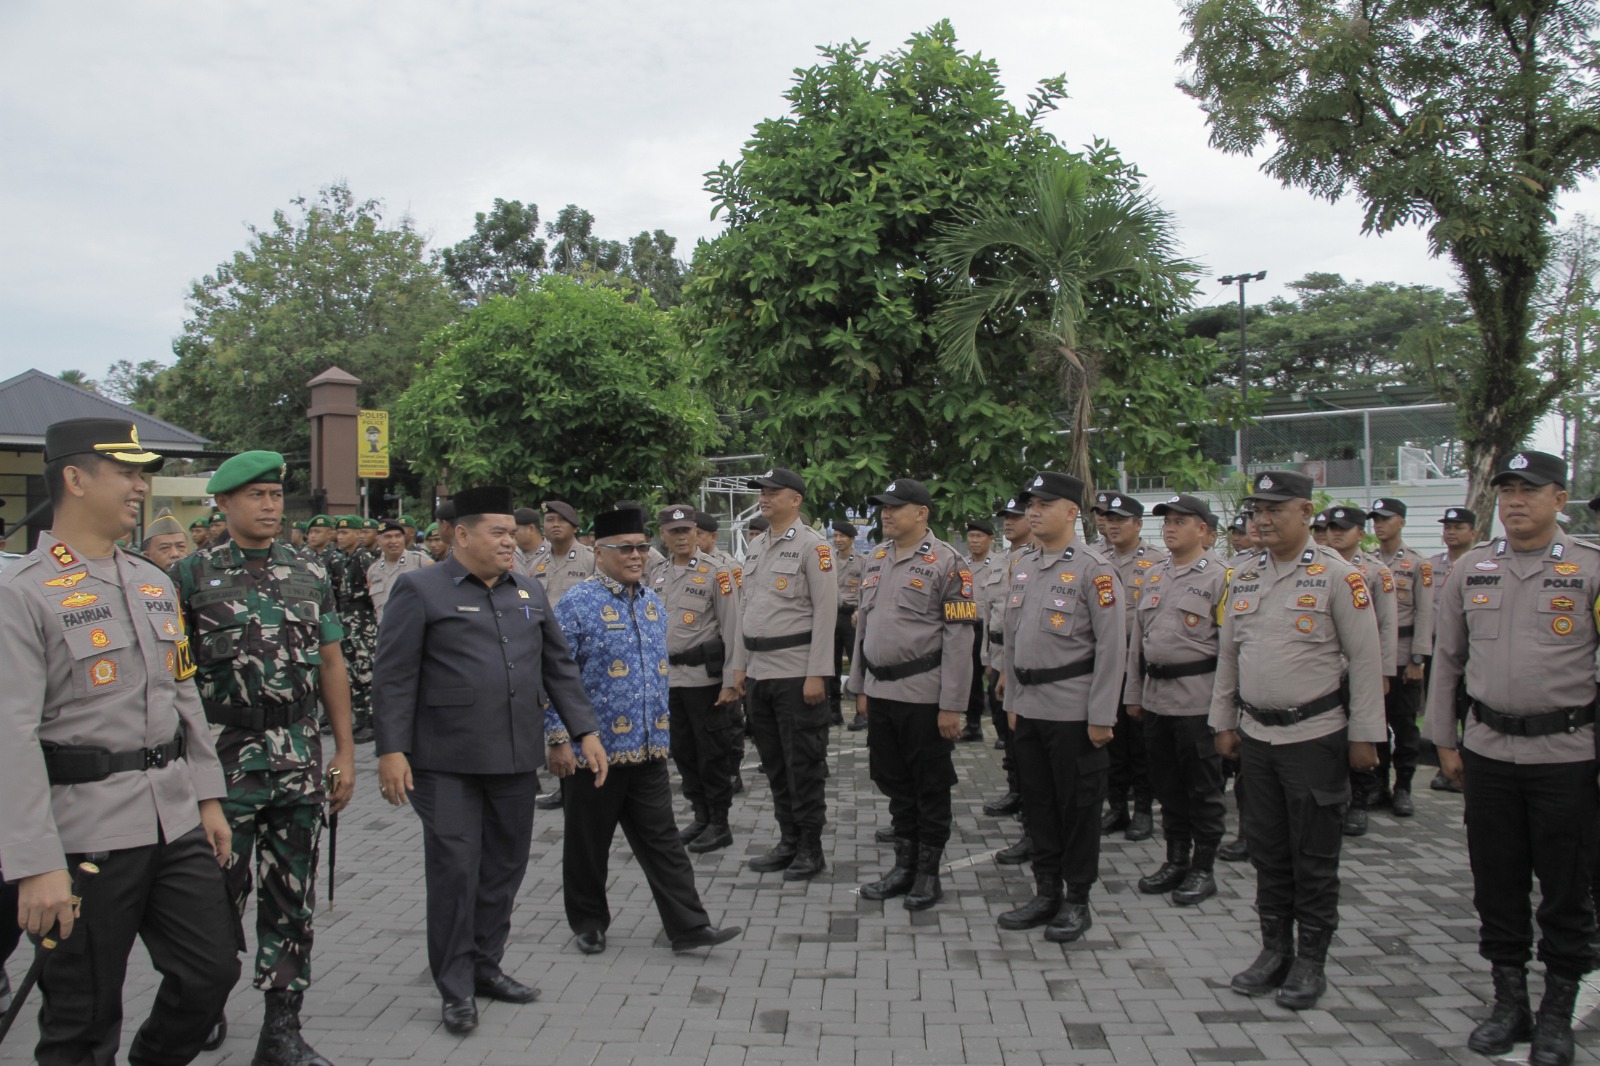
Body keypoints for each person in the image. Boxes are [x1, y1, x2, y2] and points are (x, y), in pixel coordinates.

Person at [0, 417, 239, 1066]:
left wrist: (209, 800)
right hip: (83, 835)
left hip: (172, 818)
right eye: (127, 472)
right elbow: (10, 736)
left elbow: (182, 699)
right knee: (82, 1018)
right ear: (74, 479)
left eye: (145, 474)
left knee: (210, 974)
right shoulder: (21, 594)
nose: (142, 486)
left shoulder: (153, 583)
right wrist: (35, 864)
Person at [372, 486, 606, 1035]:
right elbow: (394, 676)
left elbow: (559, 668)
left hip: (513, 757)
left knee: (504, 866)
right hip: (444, 760)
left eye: (510, 531)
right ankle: (455, 986)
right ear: (462, 535)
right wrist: (390, 750)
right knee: (456, 870)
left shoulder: (527, 591)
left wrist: (585, 731)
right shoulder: (419, 589)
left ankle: (485, 966)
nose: (511, 540)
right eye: (497, 532)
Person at [171, 452, 358, 1066]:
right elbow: (175, 681)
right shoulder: (191, 577)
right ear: (222, 505)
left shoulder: (309, 570)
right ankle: (203, 1001)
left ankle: (281, 1029)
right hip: (224, 762)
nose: (271, 506)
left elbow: (331, 664)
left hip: (299, 757)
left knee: (291, 896)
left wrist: (346, 751)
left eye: (276, 495)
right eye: (255, 495)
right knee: (215, 895)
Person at [1424, 451, 1598, 1066]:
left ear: (1560, 497)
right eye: (1507, 491)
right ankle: (1508, 1001)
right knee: (1496, 881)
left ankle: (1556, 1011)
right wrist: (1443, 739)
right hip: (1489, 752)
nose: (1515, 501)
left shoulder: (1590, 568)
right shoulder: (1474, 568)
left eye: (1530, 489)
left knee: (1565, 887)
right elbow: (1446, 660)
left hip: (1567, 755)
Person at [1209, 470, 1384, 1011]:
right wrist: (1222, 720)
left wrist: (1365, 736)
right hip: (1257, 735)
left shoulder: (1338, 575)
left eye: (1275, 509)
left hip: (1315, 738)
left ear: (1306, 513)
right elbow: (1229, 655)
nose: (1261, 519)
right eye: (1257, 509)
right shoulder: (1241, 576)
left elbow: (1365, 658)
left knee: (1313, 855)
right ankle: (1273, 951)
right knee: (1267, 850)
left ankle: (1311, 960)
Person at [545, 507, 742, 955]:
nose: (637, 556)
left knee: (665, 844)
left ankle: (689, 927)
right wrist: (559, 738)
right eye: (625, 548)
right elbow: (555, 675)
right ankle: (589, 922)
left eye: (641, 547)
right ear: (600, 552)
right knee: (587, 844)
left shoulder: (652, 602)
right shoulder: (577, 603)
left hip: (649, 751)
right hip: (595, 752)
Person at [996, 471, 1125, 943]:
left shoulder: (1095, 568)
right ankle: (1045, 891)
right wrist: (1012, 699)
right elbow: (1011, 639)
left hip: (1074, 710)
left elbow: (1113, 648)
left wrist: (1102, 715)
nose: (1033, 510)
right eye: (1030, 502)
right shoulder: (1024, 565)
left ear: (1071, 511)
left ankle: (1077, 899)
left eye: (1044, 504)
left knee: (1078, 808)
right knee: (1039, 806)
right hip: (1029, 706)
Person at [850, 479, 976, 910]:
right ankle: (903, 866)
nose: (886, 514)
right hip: (881, 691)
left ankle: (927, 872)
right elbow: (863, 629)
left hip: (924, 695)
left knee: (929, 786)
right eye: (883, 507)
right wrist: (859, 686)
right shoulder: (876, 559)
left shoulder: (949, 564)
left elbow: (960, 641)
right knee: (893, 781)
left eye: (895, 507)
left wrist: (952, 705)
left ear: (921, 512)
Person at [729, 467, 839, 880]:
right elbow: (744, 611)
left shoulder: (815, 547)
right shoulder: (756, 547)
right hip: (759, 673)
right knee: (774, 764)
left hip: (797, 673)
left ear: (796, 499)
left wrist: (819, 674)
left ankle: (811, 847)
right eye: (763, 492)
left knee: (803, 763)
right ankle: (788, 839)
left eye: (774, 492)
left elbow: (827, 613)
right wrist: (738, 667)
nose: (765, 497)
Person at [1123, 494, 1230, 907]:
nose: (1169, 527)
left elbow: (1230, 651)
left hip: (1198, 701)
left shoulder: (1222, 577)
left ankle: (1203, 867)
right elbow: (1139, 644)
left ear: (1203, 529)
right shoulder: (1153, 575)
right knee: (1167, 787)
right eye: (1166, 521)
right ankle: (1175, 860)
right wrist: (1134, 694)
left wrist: (1226, 711)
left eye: (1180, 521)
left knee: (1202, 789)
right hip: (1156, 700)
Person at [649, 504, 741, 854]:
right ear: (663, 536)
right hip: (668, 679)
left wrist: (733, 679)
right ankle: (700, 816)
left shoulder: (716, 572)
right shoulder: (656, 573)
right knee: (684, 753)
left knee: (711, 753)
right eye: (674, 532)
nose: (682, 537)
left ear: (695, 532)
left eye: (687, 530)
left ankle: (720, 822)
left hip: (705, 680)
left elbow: (733, 627)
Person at [1319, 506, 1398, 837]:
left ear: (1360, 533)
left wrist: (1383, 672)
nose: (1336, 533)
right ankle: (1335, 797)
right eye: (1331, 527)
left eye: (1343, 528)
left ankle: (1360, 803)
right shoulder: (1316, 567)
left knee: (1362, 734)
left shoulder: (1376, 572)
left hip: (1359, 669)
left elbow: (1386, 625)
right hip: (1324, 669)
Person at [1096, 493, 1163, 842]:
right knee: (1111, 740)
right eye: (1109, 519)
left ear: (1138, 524)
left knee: (1140, 742)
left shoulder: (1156, 563)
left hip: (1138, 661)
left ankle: (1142, 811)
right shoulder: (1096, 558)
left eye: (1121, 519)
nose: (1113, 525)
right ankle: (1116, 806)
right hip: (1105, 662)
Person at [1367, 497, 1434, 818]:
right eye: (1375, 519)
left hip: (1404, 658)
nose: (1379, 524)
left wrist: (1418, 659)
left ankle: (1403, 787)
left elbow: (1424, 615)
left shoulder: (1419, 564)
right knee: (1375, 727)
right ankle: (1378, 784)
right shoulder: (1367, 562)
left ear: (1402, 522)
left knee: (1405, 728)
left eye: (1385, 518)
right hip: (1375, 658)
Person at [981, 496, 1033, 864]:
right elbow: (990, 614)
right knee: (1004, 728)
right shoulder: (997, 561)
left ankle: (1030, 801)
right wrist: (988, 659)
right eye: (1005, 518)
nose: (1008, 523)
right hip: (999, 654)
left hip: (1027, 661)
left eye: (1015, 517)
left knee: (1025, 736)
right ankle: (1015, 789)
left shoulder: (1037, 558)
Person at [1427, 506, 1479, 793]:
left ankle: (1470, 762)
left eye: (1458, 527)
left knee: (1469, 708)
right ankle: (1443, 764)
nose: (1451, 531)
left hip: (1473, 650)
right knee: (1444, 704)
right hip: (1439, 647)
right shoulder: (1431, 565)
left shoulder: (1481, 564)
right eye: (1447, 526)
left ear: (1472, 532)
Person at [330, 516, 378, 745]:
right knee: (351, 670)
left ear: (358, 534)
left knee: (365, 668)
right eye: (339, 533)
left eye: (345, 533)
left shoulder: (364, 558)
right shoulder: (344, 558)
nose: (340, 537)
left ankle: (372, 720)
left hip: (362, 620)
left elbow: (373, 589)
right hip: (347, 619)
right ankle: (360, 717)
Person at [960, 518, 997, 742]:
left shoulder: (999, 565)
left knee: (995, 678)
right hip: (969, 629)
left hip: (991, 629)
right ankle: (973, 725)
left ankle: (1003, 730)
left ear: (990, 539)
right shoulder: (962, 566)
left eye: (979, 536)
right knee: (971, 679)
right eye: (971, 537)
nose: (974, 541)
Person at [830, 520, 865, 729]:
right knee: (831, 665)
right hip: (833, 616)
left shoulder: (862, 562)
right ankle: (833, 712)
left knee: (857, 663)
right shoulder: (829, 561)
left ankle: (861, 713)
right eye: (835, 536)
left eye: (842, 536)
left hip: (853, 617)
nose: (838, 540)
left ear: (852, 539)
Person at [368, 519, 431, 623]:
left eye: (398, 536)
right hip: (385, 632)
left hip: (414, 630)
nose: (393, 541)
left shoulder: (421, 562)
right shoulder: (373, 570)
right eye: (387, 537)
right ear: (378, 540)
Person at [535, 500, 595, 606]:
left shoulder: (591, 559)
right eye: (550, 520)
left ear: (575, 527)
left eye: (562, 520)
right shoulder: (536, 564)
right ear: (543, 528)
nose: (556, 525)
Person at [513, 507, 545, 577]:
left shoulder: (552, 553)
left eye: (514, 530)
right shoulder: (511, 554)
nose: (511, 534)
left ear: (531, 529)